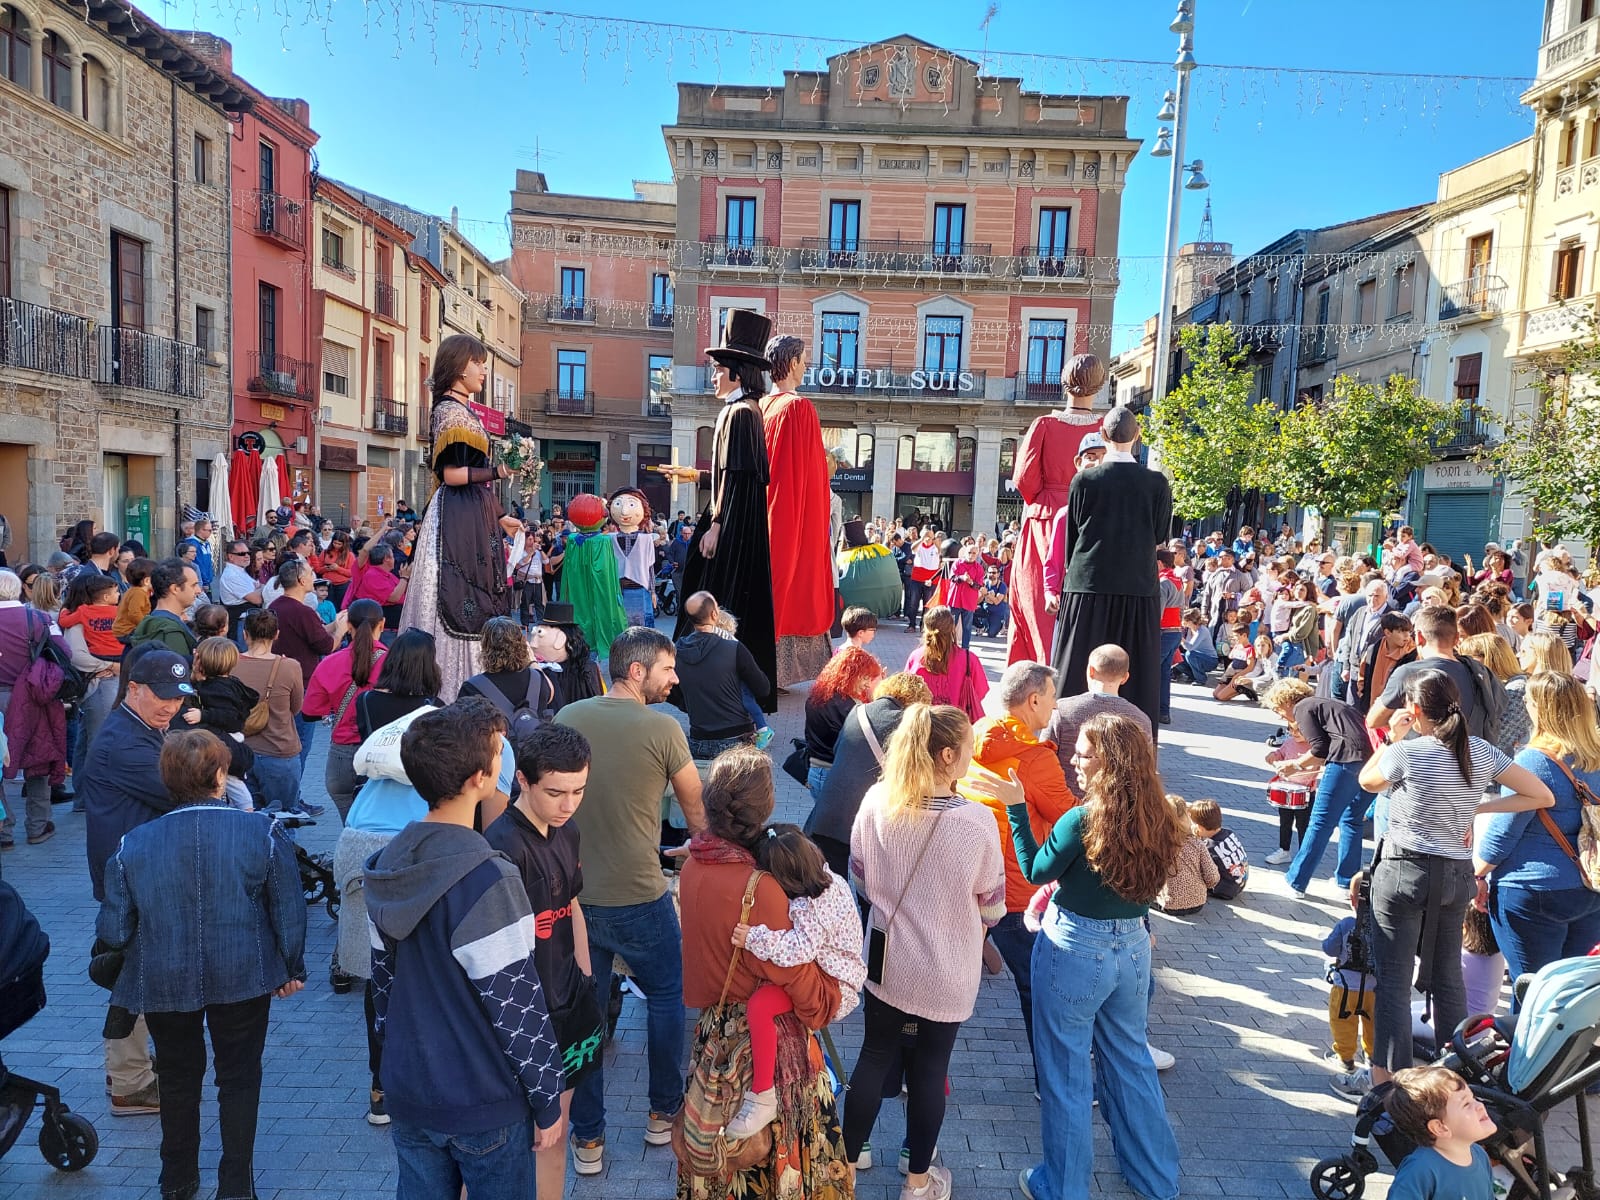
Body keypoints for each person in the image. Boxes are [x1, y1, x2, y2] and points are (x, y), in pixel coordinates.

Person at [364, 701, 566, 1198]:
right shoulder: (488, 877)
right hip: (483, 1097)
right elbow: (517, 1005)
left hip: (411, 1090)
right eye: (500, 753)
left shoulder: (386, 863)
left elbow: (382, 988)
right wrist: (546, 1100)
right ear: (481, 777)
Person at [96, 729, 306, 1200]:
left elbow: (113, 930)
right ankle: (235, 1186)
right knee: (239, 1076)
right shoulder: (262, 831)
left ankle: (177, 1181)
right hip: (244, 972)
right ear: (220, 775)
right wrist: (291, 967)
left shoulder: (135, 843)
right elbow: (288, 910)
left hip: (164, 975)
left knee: (175, 1075)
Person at [1350, 671, 1554, 1100]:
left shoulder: (1409, 752)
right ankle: (1453, 1075)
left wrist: (1392, 737)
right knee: (1448, 977)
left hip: (1404, 869)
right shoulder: (1480, 750)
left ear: (1417, 709)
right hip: (1455, 875)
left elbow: (1367, 781)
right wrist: (1480, 805)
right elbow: (1540, 795)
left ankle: (1388, 1084)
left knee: (1394, 976)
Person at [1006, 712, 1184, 1200]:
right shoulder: (1163, 813)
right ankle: (1156, 1179)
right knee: (1131, 1063)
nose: (1073, 760)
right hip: (1131, 949)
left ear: (1109, 761)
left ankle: (1060, 1188)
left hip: (1074, 949)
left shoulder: (1081, 819)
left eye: (1083, 753)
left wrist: (1016, 809)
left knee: (1065, 1074)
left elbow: (1037, 871)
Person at [554, 627, 706, 1175]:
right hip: (642, 895)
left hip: (576, 899)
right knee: (667, 996)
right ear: (637, 671)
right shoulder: (664, 729)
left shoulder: (568, 718)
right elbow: (698, 813)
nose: (675, 678)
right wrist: (693, 850)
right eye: (668, 668)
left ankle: (588, 1140)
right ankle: (662, 1114)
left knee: (585, 1015)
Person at [845, 704, 1005, 1200]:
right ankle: (918, 1183)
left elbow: (859, 879)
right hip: (950, 967)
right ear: (948, 755)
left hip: (887, 963)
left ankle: (844, 1171)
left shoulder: (876, 801)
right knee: (932, 1071)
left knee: (872, 1057)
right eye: (969, 752)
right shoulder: (977, 821)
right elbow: (993, 907)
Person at [677, 748, 852, 1200]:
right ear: (765, 808)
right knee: (770, 1167)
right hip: (766, 1055)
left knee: (714, 1155)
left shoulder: (694, 864)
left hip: (712, 1039)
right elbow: (809, 999)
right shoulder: (763, 888)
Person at [483, 724, 605, 1200]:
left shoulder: (567, 829)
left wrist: (586, 977)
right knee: (505, 1150)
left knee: (554, 1135)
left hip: (569, 1008)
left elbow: (572, 905)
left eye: (579, 790)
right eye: (556, 792)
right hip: (523, 1022)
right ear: (523, 781)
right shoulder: (502, 848)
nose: (569, 803)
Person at [80, 648, 199, 1116]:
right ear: (133, 689)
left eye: (177, 695)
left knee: (137, 977)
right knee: (133, 979)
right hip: (133, 882)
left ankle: (129, 1071)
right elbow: (186, 789)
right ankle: (129, 1080)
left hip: (138, 876)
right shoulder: (126, 743)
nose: (170, 704)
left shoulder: (144, 728)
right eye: (161, 695)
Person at [662, 310, 779, 712]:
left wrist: (715, 525)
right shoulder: (740, 410)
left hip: (729, 529)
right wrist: (695, 476)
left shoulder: (742, 413)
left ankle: (723, 699)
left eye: (717, 369)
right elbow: (732, 475)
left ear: (736, 372)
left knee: (714, 606)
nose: (712, 376)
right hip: (733, 525)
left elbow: (738, 477)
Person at [962, 660, 1075, 1065]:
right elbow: (1070, 818)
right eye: (1051, 697)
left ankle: (909, 1070)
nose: (1054, 705)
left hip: (972, 879)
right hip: (1014, 889)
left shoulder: (975, 734)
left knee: (946, 980)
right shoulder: (1034, 758)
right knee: (1037, 986)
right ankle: (1053, 1080)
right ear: (1032, 700)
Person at [398, 334, 521, 700]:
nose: (483, 370)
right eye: (477, 362)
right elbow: (453, 475)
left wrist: (499, 516)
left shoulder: (464, 410)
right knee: (459, 586)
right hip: (456, 516)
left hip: (472, 512)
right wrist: (499, 472)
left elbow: (472, 478)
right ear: (457, 366)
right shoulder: (449, 411)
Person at [724, 822, 865, 1140]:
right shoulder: (833, 881)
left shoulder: (808, 907)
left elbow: (798, 950)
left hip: (833, 984)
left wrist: (754, 937)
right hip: (839, 974)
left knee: (760, 1006)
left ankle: (762, 1096)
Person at [1046, 406, 1173, 736]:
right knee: (1136, 677)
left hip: (1088, 584)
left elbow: (1072, 537)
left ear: (1103, 436)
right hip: (1137, 588)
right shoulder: (1157, 483)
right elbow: (1160, 535)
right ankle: (1133, 749)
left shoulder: (1084, 479)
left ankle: (1065, 742)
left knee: (1075, 671)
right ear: (1137, 436)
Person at [1476, 671, 1600, 996]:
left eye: (1531, 700)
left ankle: (1526, 1049)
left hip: (1532, 890)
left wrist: (1476, 874)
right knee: (1565, 995)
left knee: (1530, 993)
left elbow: (1505, 831)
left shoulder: (1533, 761)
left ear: (1542, 709)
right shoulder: (1594, 756)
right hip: (1589, 887)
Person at [1008, 353, 1107, 667]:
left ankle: (1036, 673)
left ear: (1064, 383)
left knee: (1035, 601)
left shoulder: (1045, 425)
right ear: (1100, 385)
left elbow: (1024, 479)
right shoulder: (1105, 428)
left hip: (1046, 517)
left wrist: (1046, 497)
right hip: (1094, 520)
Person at [804, 672, 934, 880]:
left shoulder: (859, 712)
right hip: (869, 825)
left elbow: (839, 751)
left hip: (828, 817)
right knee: (870, 895)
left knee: (830, 890)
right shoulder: (907, 726)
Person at [761, 335, 835, 686]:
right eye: (804, 360)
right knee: (794, 590)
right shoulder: (799, 408)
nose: (806, 366)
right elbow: (810, 478)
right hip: (791, 518)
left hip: (762, 518)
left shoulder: (759, 407)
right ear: (791, 364)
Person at [1268, 676, 1377, 897]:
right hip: (1371, 761)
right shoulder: (1329, 704)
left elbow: (1319, 749)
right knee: (1351, 819)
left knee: (1320, 821)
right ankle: (1346, 882)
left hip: (1346, 761)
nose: (1280, 715)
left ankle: (1296, 881)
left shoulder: (1302, 708)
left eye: (1278, 709)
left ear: (1286, 702)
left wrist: (1295, 765)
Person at [301, 598, 387, 819]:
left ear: (348, 626)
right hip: (382, 753)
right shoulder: (394, 662)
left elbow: (310, 711)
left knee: (351, 828)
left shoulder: (329, 663)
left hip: (342, 757)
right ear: (382, 624)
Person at [670, 590, 773, 759]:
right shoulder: (734, 648)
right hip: (736, 739)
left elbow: (668, 691)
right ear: (714, 614)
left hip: (698, 739)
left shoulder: (675, 652)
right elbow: (763, 688)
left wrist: (690, 705)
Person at [1045, 643, 1151, 798]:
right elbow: (1145, 770)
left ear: (1090, 671)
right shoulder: (1141, 719)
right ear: (1125, 678)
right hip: (1116, 806)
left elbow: (1045, 757)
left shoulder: (1062, 709)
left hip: (1064, 801)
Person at [271, 559, 346, 771]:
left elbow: (314, 633)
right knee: (300, 743)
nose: (314, 574)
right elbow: (325, 644)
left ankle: (288, 794)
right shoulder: (302, 611)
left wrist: (335, 624)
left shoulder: (276, 606)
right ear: (302, 580)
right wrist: (341, 631)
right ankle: (294, 796)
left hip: (278, 679)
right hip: (301, 683)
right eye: (311, 571)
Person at [234, 608, 310, 817]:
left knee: (247, 821)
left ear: (245, 634)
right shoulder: (290, 667)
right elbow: (296, 708)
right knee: (285, 820)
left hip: (241, 752)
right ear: (276, 634)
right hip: (280, 751)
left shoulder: (231, 664)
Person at [1383, 1067, 1498, 1200]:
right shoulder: (1420, 1170)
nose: (1480, 1106)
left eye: (1473, 1098)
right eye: (1466, 1104)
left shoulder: (1479, 1155)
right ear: (1440, 1128)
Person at [185, 636, 259, 811]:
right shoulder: (231, 682)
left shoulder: (216, 688)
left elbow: (228, 717)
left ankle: (247, 810)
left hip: (227, 738)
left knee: (231, 780)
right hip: (233, 736)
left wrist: (204, 715)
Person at [803, 645, 883, 796]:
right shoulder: (851, 708)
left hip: (815, 770)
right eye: (865, 677)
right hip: (837, 775)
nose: (867, 683)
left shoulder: (815, 698)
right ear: (851, 675)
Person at [1321, 873, 1378, 1076]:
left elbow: (1329, 949)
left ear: (1353, 899)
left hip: (1345, 987)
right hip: (1373, 988)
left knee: (1343, 1023)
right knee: (1372, 1025)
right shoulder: (1382, 928)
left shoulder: (1346, 925)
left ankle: (1346, 1058)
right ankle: (1373, 1057)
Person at [905, 605, 988, 721]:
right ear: (952, 628)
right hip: (957, 727)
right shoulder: (969, 659)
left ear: (926, 628)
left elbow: (907, 694)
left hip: (924, 726)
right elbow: (980, 693)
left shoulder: (915, 658)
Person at [1156, 793, 1218, 916]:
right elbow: (1212, 876)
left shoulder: (1159, 843)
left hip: (1170, 904)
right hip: (1198, 902)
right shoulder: (1197, 842)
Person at [127, 559, 203, 659]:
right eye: (193, 585)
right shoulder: (169, 630)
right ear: (175, 589)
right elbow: (179, 670)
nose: (199, 591)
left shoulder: (151, 621)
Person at [1188, 799, 1248, 900]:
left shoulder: (1208, 847)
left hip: (1223, 889)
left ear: (1200, 828)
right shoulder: (1229, 833)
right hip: (1239, 883)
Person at [313, 530, 355, 610]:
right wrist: (326, 569)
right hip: (327, 585)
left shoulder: (349, 555)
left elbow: (351, 573)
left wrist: (337, 568)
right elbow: (318, 569)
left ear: (344, 544)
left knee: (341, 608)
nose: (336, 545)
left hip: (342, 586)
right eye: (334, 543)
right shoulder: (325, 552)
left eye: (339, 544)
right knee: (327, 607)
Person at [975, 564, 1010, 639]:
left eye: (994, 573)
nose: (991, 574)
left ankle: (1000, 625)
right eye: (990, 572)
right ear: (987, 573)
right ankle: (981, 626)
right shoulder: (984, 583)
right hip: (985, 610)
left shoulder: (1002, 586)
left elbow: (997, 601)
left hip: (997, 613)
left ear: (998, 574)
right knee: (969, 610)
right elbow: (978, 601)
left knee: (991, 634)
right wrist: (982, 595)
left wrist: (987, 593)